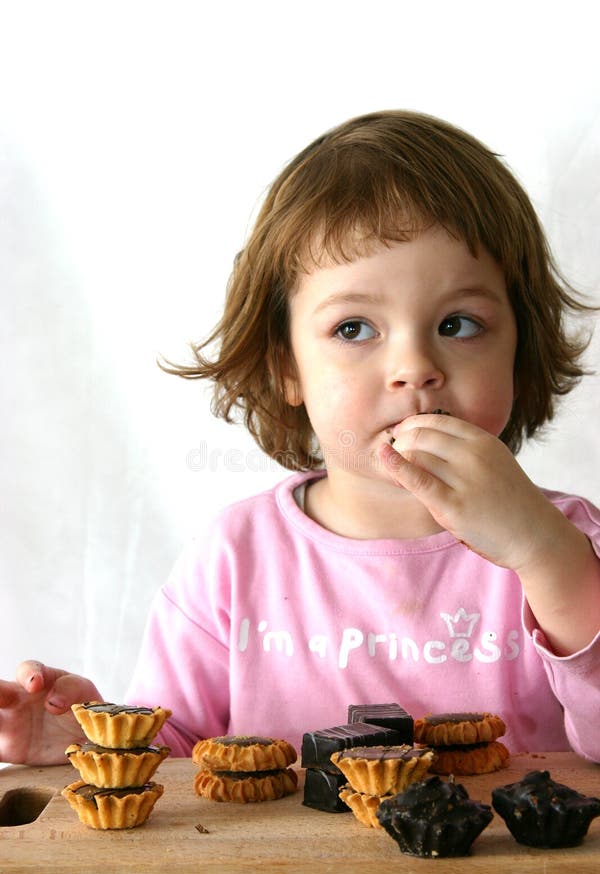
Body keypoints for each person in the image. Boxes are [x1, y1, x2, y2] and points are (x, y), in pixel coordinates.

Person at [1, 110, 599, 767]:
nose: (414, 367)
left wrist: (542, 552)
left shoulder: (570, 544)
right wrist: (86, 742)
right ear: (287, 366)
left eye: (458, 323)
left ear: (519, 348)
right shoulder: (235, 560)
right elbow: (173, 758)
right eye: (354, 329)